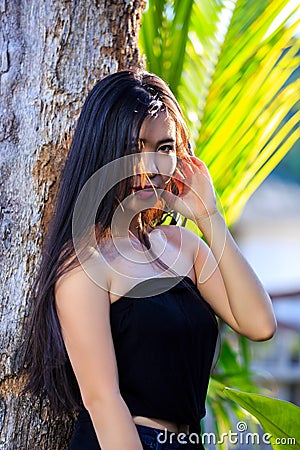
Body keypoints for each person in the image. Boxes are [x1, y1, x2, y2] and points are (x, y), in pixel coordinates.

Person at [23, 69, 277, 450]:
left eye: (164, 148)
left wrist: (209, 218)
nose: (151, 166)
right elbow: (102, 400)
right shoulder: (84, 265)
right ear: (104, 149)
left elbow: (259, 323)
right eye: (134, 146)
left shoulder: (183, 246)